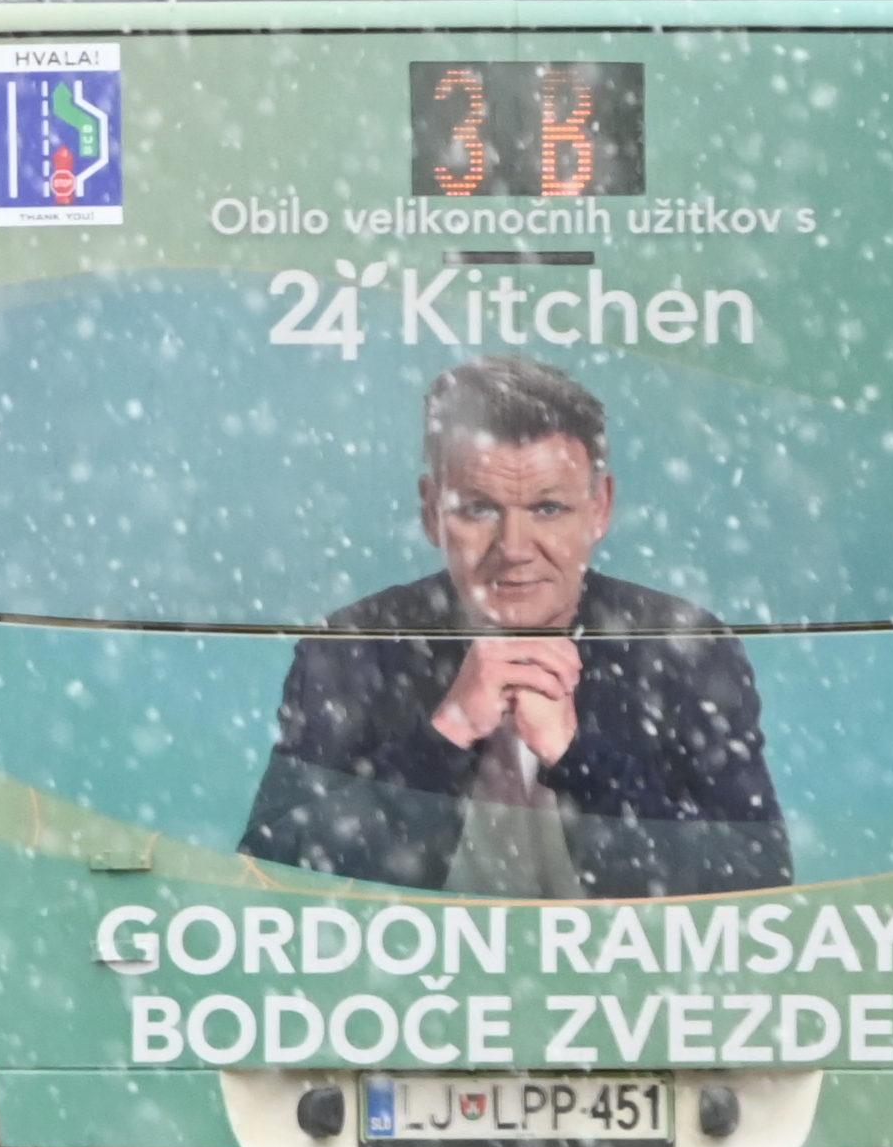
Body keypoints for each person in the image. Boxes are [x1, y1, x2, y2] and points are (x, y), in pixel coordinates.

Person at [239, 354, 787, 898]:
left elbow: (758, 881)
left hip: (625, 976)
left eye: (548, 509)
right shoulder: (354, 645)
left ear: (600, 508)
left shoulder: (683, 646)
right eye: (479, 509)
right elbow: (272, 875)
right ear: (431, 511)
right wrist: (447, 733)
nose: (515, 550)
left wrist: (576, 757)